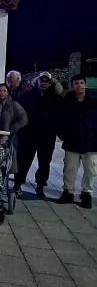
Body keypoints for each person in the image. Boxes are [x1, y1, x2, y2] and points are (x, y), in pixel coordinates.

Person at [14, 71, 64, 199]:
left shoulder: (57, 99)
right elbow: (18, 113)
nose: (44, 83)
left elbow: (60, 118)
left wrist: (59, 132)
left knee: (44, 163)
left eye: (47, 81)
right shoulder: (26, 96)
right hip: (28, 135)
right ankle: (17, 184)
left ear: (51, 83)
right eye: (42, 80)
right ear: (37, 81)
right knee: (23, 161)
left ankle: (40, 186)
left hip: (47, 136)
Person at [56, 75, 97, 209]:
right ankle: (68, 193)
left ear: (85, 85)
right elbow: (60, 120)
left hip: (91, 142)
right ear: (73, 86)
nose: (79, 85)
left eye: (81, 83)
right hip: (72, 141)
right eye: (76, 83)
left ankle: (86, 194)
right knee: (70, 168)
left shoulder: (93, 103)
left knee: (90, 170)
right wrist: (63, 135)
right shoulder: (67, 102)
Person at [0, 83, 28, 175]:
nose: (2, 93)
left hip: (8, 136)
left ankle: (5, 179)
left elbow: (24, 118)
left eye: (4, 91)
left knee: (7, 159)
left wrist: (12, 129)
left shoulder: (13, 104)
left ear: (8, 92)